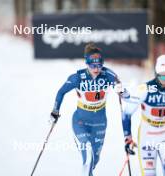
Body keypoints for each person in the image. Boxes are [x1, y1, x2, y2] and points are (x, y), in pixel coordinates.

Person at [50, 43, 128, 176]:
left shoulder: (109, 75)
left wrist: (122, 92)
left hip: (100, 122)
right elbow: (61, 92)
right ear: (87, 63)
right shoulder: (77, 78)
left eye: (99, 65)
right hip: (81, 121)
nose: (97, 69)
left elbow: (124, 93)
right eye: (93, 65)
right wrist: (55, 111)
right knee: (88, 156)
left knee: (94, 160)